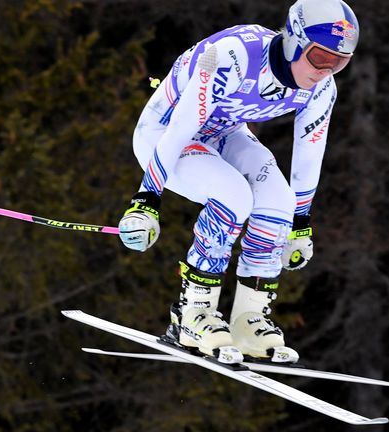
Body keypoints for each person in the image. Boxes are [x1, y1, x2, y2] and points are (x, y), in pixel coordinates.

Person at [118, 0, 359, 364]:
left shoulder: (321, 89)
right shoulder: (232, 55)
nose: (326, 71)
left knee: (278, 201)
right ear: (294, 40)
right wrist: (146, 201)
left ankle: (249, 320)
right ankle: (193, 313)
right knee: (234, 196)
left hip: (224, 133)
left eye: (339, 62)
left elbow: (310, 153)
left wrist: (300, 224)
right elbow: (182, 127)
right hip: (166, 135)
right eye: (320, 58)